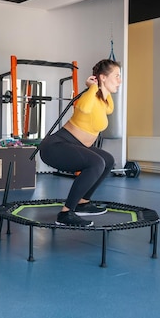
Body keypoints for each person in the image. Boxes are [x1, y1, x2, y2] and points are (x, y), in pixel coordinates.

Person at [38, 59, 121, 227]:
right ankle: (66, 214)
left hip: (73, 146)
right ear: (103, 77)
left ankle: (83, 202)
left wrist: (101, 89)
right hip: (55, 146)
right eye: (117, 76)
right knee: (97, 162)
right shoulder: (88, 96)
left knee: (108, 161)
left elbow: (110, 108)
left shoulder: (102, 101)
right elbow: (82, 107)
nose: (120, 80)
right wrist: (92, 87)